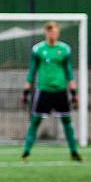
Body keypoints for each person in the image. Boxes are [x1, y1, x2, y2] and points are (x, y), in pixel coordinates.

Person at [21, 21, 82, 161]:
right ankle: (26, 151)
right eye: (49, 31)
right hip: (44, 91)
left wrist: (74, 94)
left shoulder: (65, 49)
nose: (51, 33)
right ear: (45, 33)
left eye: (54, 31)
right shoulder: (38, 50)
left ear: (58, 32)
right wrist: (25, 92)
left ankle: (74, 151)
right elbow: (32, 71)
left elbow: (69, 72)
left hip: (61, 90)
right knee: (35, 121)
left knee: (67, 121)